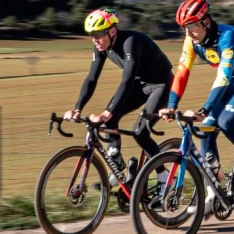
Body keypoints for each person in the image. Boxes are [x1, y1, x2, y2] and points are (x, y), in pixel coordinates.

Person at [158, 0, 234, 216]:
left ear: (206, 21)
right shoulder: (192, 42)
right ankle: (214, 189)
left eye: (192, 26)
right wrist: (171, 105)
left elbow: (223, 76)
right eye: (185, 28)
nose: (189, 33)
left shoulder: (227, 35)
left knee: (226, 121)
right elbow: (182, 73)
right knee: (207, 127)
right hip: (233, 83)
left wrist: (204, 109)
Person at [63, 8, 173, 195]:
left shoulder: (131, 42)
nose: (95, 40)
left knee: (140, 132)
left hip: (161, 84)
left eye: (98, 34)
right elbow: (91, 78)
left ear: (112, 31)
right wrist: (77, 108)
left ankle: (165, 178)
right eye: (91, 35)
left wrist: (108, 111)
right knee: (109, 119)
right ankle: (118, 166)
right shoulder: (101, 47)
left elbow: (127, 79)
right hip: (141, 84)